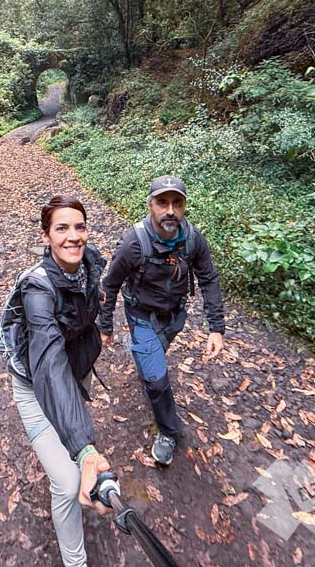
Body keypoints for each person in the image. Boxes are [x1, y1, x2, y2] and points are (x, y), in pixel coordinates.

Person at [8, 195, 113, 567]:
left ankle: (74, 440)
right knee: (68, 484)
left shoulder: (90, 265)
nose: (73, 236)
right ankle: (75, 562)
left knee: (71, 435)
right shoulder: (37, 289)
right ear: (46, 236)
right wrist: (85, 451)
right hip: (34, 384)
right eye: (62, 228)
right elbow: (49, 364)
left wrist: (102, 333)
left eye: (80, 226)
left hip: (71, 371)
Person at [98, 175, 225, 465]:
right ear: (150, 205)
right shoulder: (134, 242)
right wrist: (105, 325)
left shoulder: (193, 239)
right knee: (156, 379)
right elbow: (110, 285)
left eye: (177, 203)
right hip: (141, 315)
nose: (170, 211)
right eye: (162, 203)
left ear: (184, 206)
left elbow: (208, 279)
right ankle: (169, 432)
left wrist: (216, 328)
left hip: (175, 316)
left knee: (154, 359)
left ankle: (145, 359)